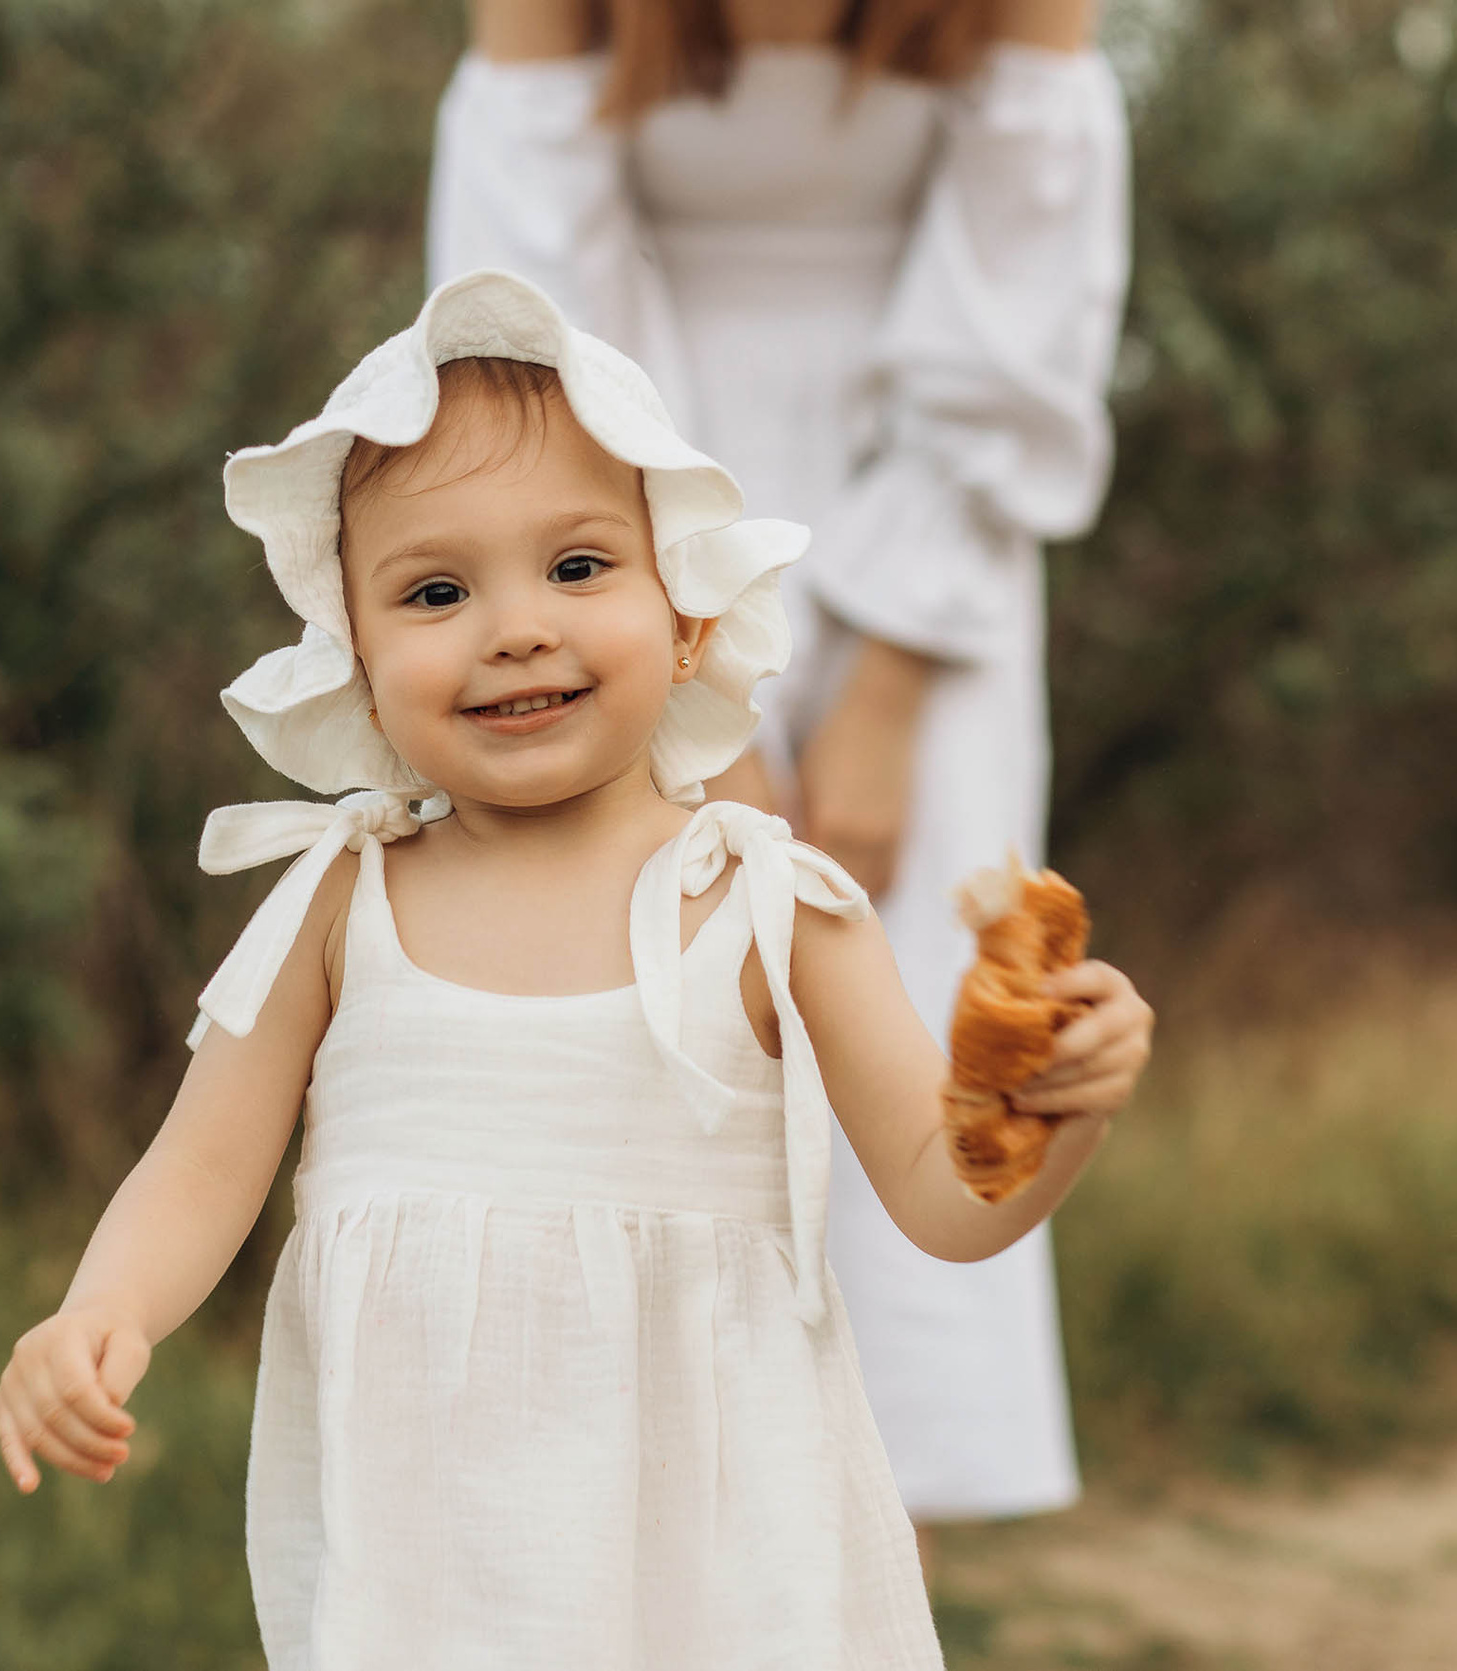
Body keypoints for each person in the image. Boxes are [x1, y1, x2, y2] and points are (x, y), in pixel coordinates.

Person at [0, 271, 1151, 1666]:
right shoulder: (341, 903)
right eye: (435, 590)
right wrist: (99, 1311)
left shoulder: (769, 903)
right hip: (437, 1562)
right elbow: (200, 1169)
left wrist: (1050, 1106)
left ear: (689, 619)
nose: (516, 625)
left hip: (725, 1566)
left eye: (580, 567)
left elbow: (943, 1196)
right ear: (356, 664)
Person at [428, 0, 1133, 1545]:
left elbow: (1025, 304)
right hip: (617, 520)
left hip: (934, 520)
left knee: (922, 985)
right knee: (647, 1002)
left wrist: (883, 690)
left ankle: (888, 1573)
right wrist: (699, 702)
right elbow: (534, 317)